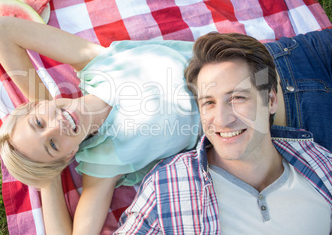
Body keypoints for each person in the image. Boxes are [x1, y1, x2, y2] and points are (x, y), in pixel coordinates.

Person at [0, 16, 201, 234]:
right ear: (69, 155)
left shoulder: (96, 63)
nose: (57, 126)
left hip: (224, 57)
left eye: (38, 123)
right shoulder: (103, 162)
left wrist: (45, 104)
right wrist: (50, 179)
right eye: (53, 144)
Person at [116, 30, 332, 234]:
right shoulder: (167, 185)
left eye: (238, 98)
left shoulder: (321, 166)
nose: (221, 120)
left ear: (271, 100)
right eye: (208, 103)